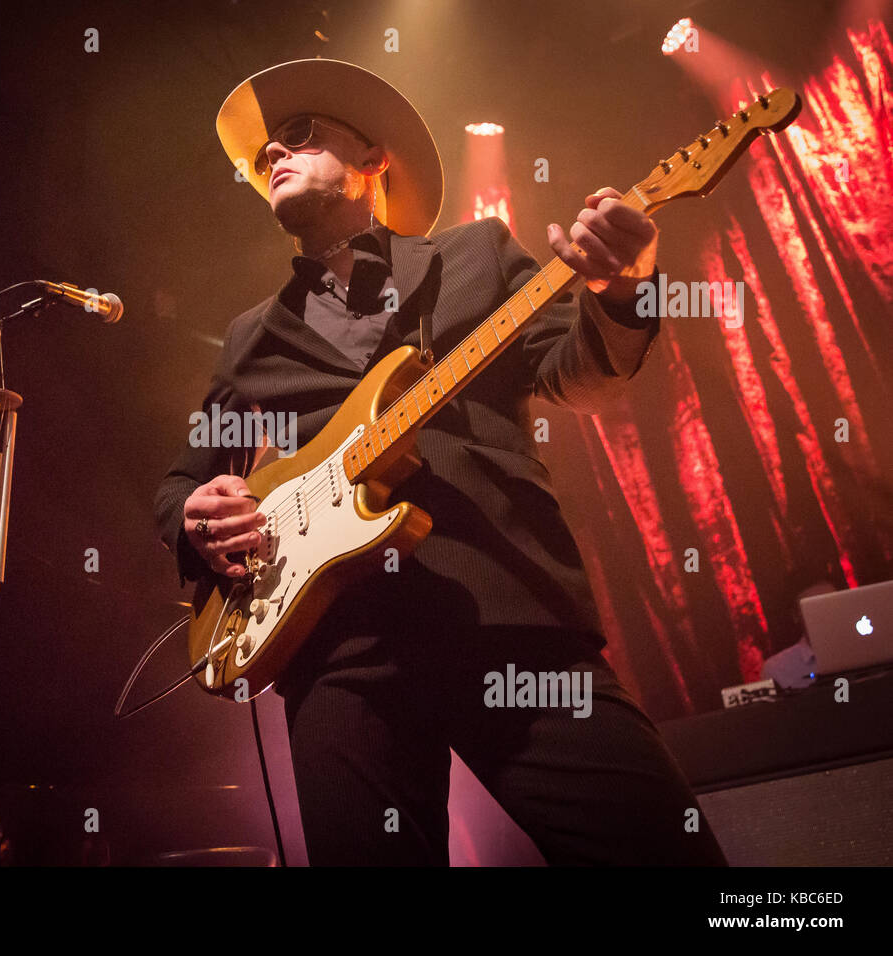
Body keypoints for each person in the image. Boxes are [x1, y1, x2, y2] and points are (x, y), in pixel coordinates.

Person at [153, 58, 727, 866]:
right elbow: (183, 480)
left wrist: (624, 288)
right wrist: (195, 513)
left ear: (374, 161)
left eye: (300, 134)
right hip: (338, 649)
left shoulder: (478, 255)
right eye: (262, 156)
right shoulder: (251, 337)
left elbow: (578, 372)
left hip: (506, 616)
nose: (273, 155)